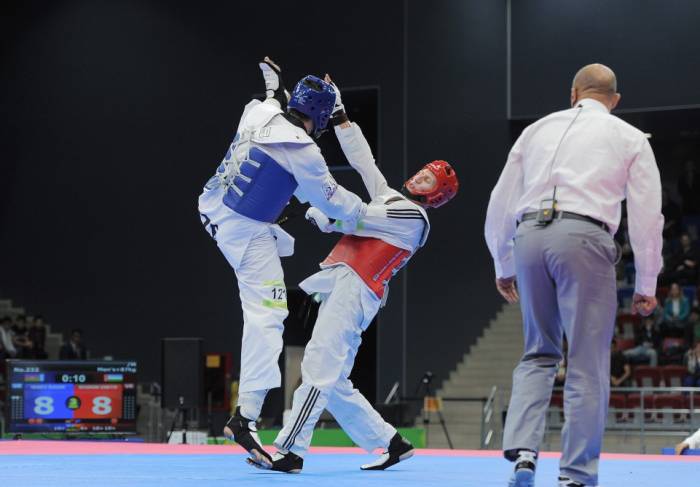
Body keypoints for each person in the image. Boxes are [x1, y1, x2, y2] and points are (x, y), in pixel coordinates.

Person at [247, 75, 459, 473]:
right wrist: (342, 117)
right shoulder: (395, 199)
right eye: (422, 170)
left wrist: (320, 213)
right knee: (336, 382)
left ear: (435, 196)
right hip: (349, 286)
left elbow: (356, 215)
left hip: (357, 288)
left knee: (318, 366)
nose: (419, 175)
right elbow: (365, 162)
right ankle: (390, 442)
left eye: (428, 179)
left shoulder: (413, 217)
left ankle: (289, 449)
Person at [484, 63, 663, 487]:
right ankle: (575, 475)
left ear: (573, 93)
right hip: (584, 238)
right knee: (586, 362)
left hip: (528, 237)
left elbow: (500, 202)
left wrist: (502, 262)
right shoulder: (630, 137)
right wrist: (647, 283)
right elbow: (646, 217)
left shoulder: (537, 130)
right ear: (614, 101)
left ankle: (525, 454)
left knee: (538, 352)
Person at [197, 58, 366, 467]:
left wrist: (274, 89)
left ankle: (247, 415)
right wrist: (369, 211)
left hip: (211, 206)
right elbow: (332, 200)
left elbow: (268, 102)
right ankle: (245, 417)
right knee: (268, 314)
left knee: (281, 205)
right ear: (321, 117)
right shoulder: (303, 149)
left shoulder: (260, 110)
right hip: (245, 233)